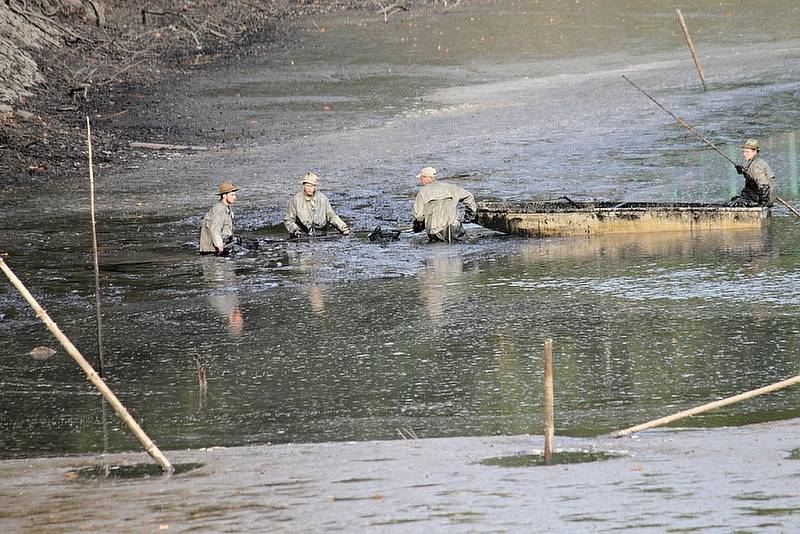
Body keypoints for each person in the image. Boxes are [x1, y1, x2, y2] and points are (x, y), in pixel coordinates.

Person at [412, 166, 476, 242]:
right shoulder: (452, 188)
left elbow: (418, 216)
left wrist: (418, 226)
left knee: (437, 250)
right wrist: (470, 216)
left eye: (421, 178)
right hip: (455, 227)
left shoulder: (422, 193)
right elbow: (469, 197)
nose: (420, 181)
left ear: (426, 178)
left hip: (435, 230)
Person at [284, 172, 350, 238]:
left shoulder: (323, 199)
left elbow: (331, 216)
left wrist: (344, 228)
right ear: (303, 186)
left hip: (321, 234)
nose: (309, 188)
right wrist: (295, 230)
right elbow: (288, 220)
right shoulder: (295, 200)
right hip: (302, 235)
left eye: (312, 186)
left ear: (315, 187)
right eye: (307, 186)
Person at [729, 139, 776, 207]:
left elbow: (764, 185)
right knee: (736, 199)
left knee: (737, 203)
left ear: (755, 152)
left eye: (747, 152)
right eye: (744, 152)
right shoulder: (755, 161)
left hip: (765, 198)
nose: (744, 154)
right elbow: (752, 178)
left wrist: (762, 203)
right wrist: (743, 171)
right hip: (765, 196)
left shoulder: (756, 166)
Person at [199, 181, 239, 255]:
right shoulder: (219, 210)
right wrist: (219, 246)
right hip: (212, 252)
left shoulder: (226, 209)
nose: (235, 197)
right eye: (232, 195)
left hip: (219, 250)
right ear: (224, 196)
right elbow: (215, 230)